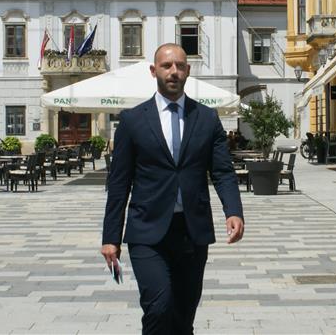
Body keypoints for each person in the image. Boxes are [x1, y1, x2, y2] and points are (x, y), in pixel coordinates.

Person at [101, 43, 244, 334]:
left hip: (192, 232)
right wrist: (110, 237)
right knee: (159, 306)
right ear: (154, 71)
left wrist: (234, 211)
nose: (174, 72)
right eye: (167, 66)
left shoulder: (206, 118)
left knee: (182, 315)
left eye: (180, 66)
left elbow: (222, 171)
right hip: (147, 232)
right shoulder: (132, 121)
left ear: (188, 71)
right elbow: (118, 184)